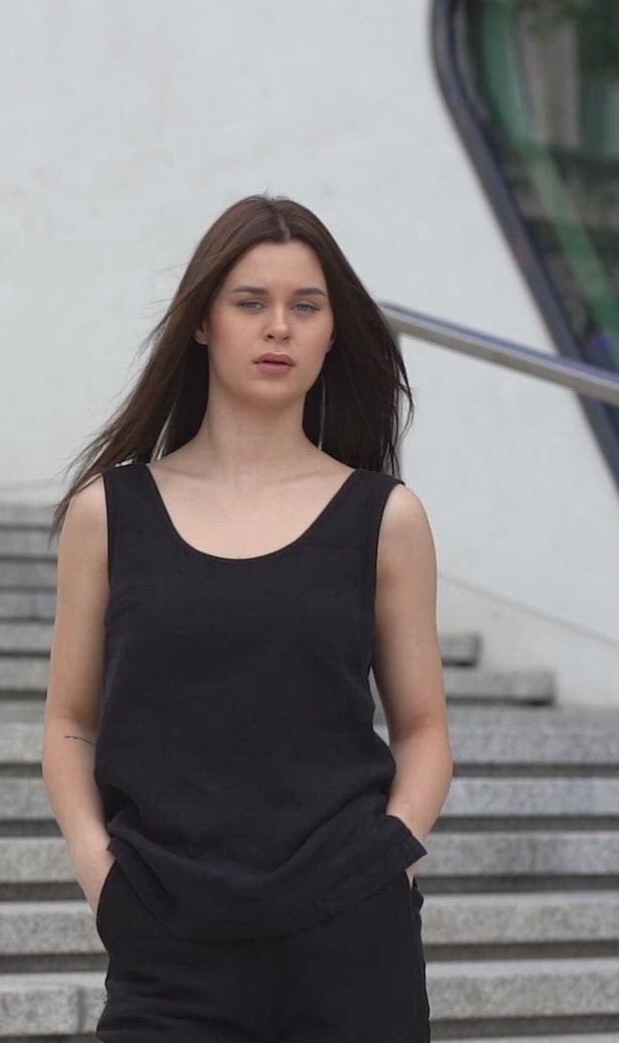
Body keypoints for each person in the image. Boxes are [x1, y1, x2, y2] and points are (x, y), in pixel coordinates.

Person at [41, 193, 453, 1041]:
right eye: (250, 303)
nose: (279, 328)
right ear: (202, 323)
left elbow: (423, 729)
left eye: (306, 307)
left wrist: (387, 858)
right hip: (168, 938)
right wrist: (101, 876)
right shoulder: (109, 512)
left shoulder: (386, 516)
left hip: (350, 933)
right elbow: (70, 722)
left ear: (333, 332)